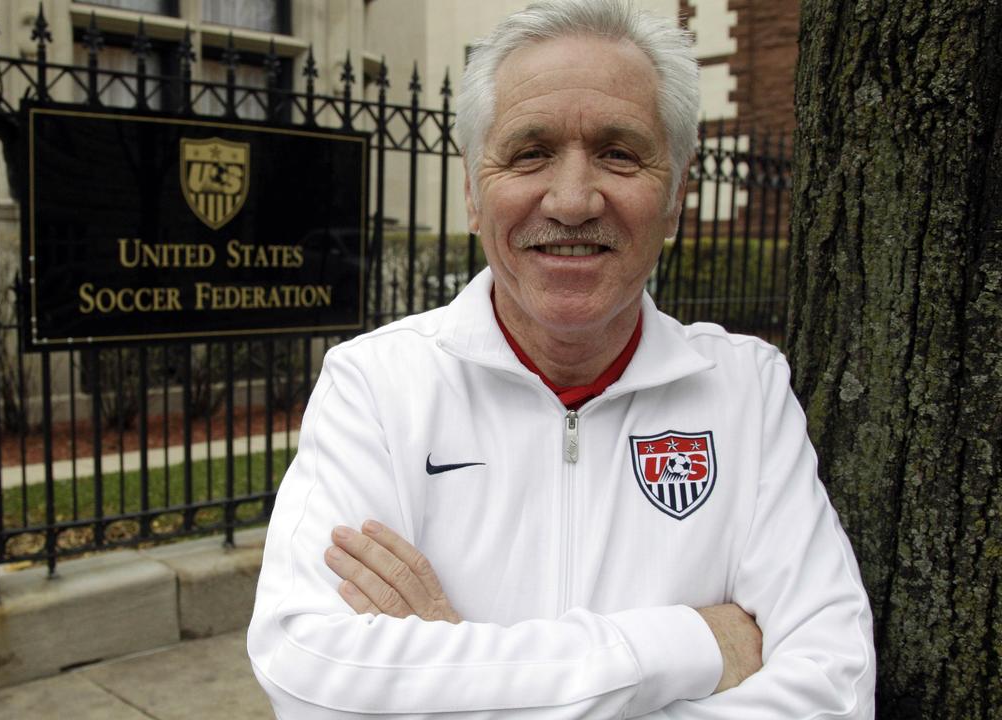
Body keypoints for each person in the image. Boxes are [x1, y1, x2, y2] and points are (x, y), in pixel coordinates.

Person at [247, 0, 877, 717]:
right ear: (473, 192)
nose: (573, 200)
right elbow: (311, 671)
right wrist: (689, 644)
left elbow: (834, 691)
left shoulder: (747, 393)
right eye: (529, 152)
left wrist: (454, 671)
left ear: (675, 194)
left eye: (618, 152)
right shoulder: (378, 387)